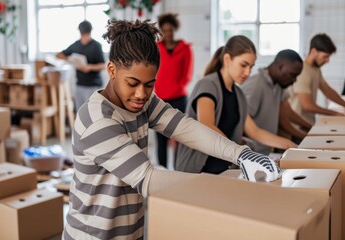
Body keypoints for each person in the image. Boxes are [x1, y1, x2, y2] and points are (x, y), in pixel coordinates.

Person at [62, 20, 281, 240]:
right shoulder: (97, 120)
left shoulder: (144, 104)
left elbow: (185, 127)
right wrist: (223, 186)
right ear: (111, 70)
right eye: (132, 83)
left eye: (149, 85)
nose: (141, 94)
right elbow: (148, 179)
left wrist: (240, 154)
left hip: (130, 231)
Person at [175, 36, 295, 174]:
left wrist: (289, 144)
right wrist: (241, 153)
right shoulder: (207, 85)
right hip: (199, 170)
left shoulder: (239, 95)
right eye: (243, 65)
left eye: (251, 67)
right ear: (227, 59)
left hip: (224, 169)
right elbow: (207, 125)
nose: (248, 73)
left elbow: (255, 132)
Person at [241, 49, 312, 155]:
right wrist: (305, 136)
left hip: (267, 150)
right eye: (293, 75)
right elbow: (243, 124)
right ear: (280, 66)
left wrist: (311, 129)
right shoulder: (256, 85)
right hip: (252, 153)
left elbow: (287, 113)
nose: (294, 80)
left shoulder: (278, 85)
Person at [154, 13, 193, 168]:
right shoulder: (157, 48)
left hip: (179, 99)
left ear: (174, 30)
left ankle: (178, 169)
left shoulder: (185, 49)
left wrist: (174, 88)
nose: (168, 33)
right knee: (161, 139)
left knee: (178, 138)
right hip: (160, 100)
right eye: (164, 30)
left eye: (170, 30)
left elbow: (187, 75)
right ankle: (162, 171)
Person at [287, 33, 345, 125]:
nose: (327, 61)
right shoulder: (302, 71)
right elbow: (307, 105)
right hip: (297, 126)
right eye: (325, 57)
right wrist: (334, 113)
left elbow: (328, 91)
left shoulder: (315, 69)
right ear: (314, 51)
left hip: (307, 123)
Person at [56, 20, 106, 111]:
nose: (84, 38)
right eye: (83, 35)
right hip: (79, 85)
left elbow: (103, 65)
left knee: (93, 112)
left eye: (86, 35)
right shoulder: (76, 45)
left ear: (90, 32)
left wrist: (89, 67)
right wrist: (70, 60)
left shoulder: (96, 46)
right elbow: (59, 55)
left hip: (93, 85)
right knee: (80, 113)